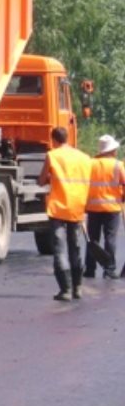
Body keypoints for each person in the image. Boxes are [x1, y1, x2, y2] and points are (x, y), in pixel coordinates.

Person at [37, 126, 92, 301]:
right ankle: (78, 288)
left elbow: (41, 180)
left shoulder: (53, 155)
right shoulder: (84, 158)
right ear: (67, 138)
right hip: (77, 206)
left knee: (60, 250)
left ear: (53, 140)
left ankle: (65, 290)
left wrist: (46, 180)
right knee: (75, 248)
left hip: (59, 208)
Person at [84, 134, 124, 279]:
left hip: (93, 208)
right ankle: (109, 270)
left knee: (92, 240)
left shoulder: (90, 164)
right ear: (112, 150)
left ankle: (90, 269)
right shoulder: (118, 165)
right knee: (110, 239)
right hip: (112, 208)